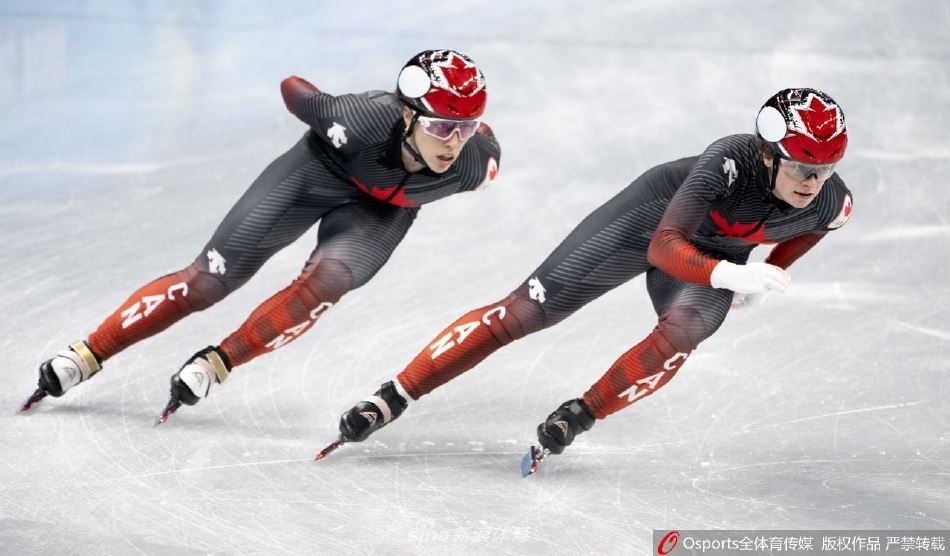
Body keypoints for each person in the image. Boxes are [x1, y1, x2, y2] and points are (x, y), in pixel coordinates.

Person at [333, 88, 853, 463]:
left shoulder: (831, 200)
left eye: (824, 170)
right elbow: (664, 245)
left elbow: (818, 224)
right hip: (649, 222)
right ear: (768, 154)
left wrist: (772, 268)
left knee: (686, 332)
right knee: (524, 312)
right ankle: (394, 396)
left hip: (713, 256)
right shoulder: (730, 160)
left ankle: (579, 414)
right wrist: (728, 274)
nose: (812, 183)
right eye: (802, 168)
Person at [23, 49, 501, 419]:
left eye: (466, 128)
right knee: (211, 278)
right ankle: (90, 352)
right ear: (406, 114)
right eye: (441, 127)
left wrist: (461, 134)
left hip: (380, 212)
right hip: (317, 173)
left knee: (331, 282)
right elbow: (294, 90)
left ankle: (219, 362)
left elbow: (475, 143)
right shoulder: (356, 119)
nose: (454, 143)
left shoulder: (475, 164)